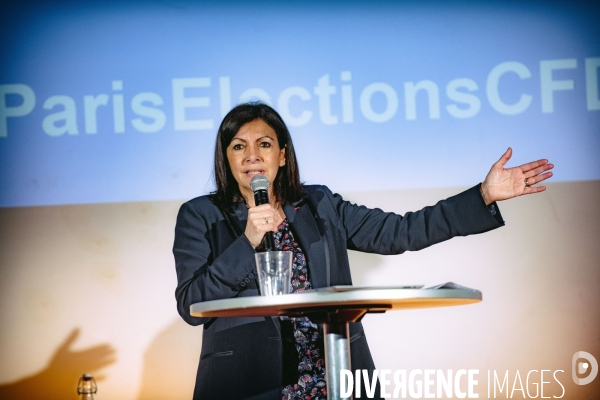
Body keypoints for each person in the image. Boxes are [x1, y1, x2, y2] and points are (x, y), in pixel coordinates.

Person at [173, 102, 553, 400]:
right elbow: (191, 304)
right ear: (227, 159)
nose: (252, 155)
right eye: (238, 146)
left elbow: (400, 230)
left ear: (283, 156)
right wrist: (248, 241)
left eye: (264, 144)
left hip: (334, 373)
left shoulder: (319, 204)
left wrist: (483, 196)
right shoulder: (200, 216)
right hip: (250, 381)